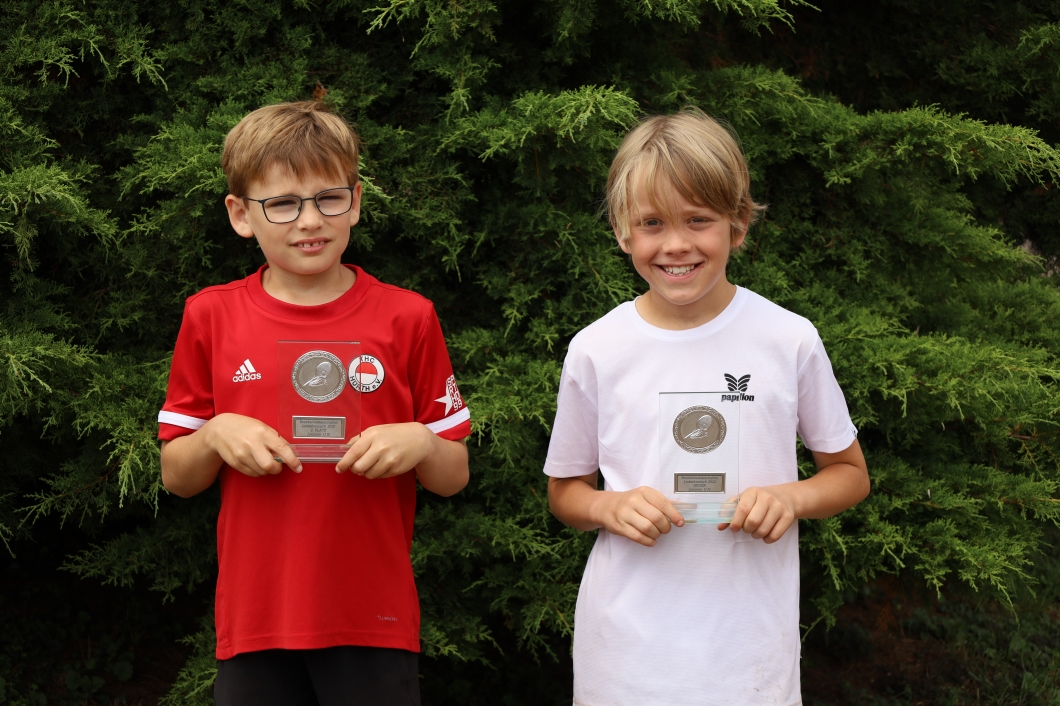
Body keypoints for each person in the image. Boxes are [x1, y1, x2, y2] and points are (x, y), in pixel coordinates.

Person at [545, 108, 870, 705]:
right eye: (651, 222)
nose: (676, 244)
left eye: (698, 219)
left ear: (737, 224)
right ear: (621, 231)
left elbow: (850, 474)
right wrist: (609, 507)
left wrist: (790, 498)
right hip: (625, 663)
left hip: (748, 660)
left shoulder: (789, 339)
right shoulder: (596, 349)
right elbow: (566, 492)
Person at [157, 101, 471, 706]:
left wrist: (423, 441)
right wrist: (215, 433)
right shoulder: (211, 316)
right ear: (241, 214)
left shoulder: (408, 316)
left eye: (329, 198)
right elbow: (177, 477)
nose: (309, 221)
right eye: (282, 204)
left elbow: (453, 476)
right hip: (257, 618)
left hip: (372, 617)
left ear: (355, 202)